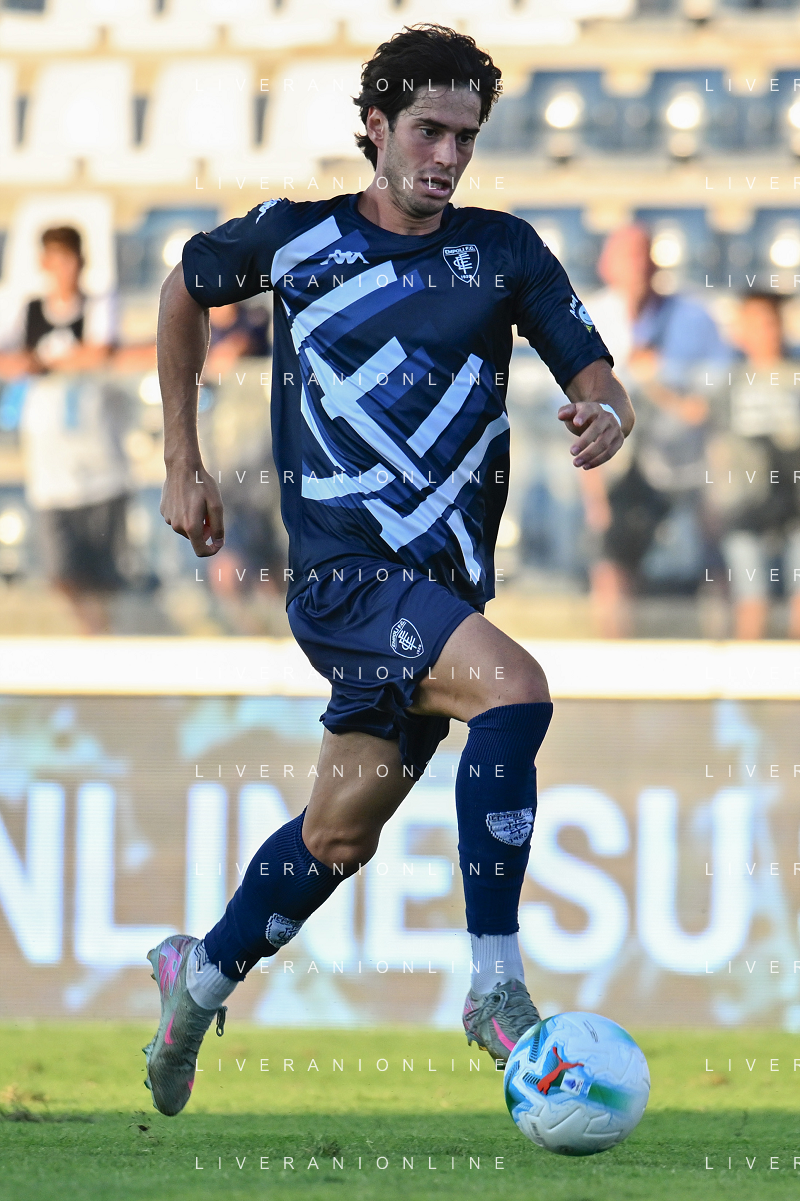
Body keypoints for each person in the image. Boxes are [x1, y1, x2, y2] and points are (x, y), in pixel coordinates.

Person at [144, 24, 634, 1118]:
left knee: (336, 836)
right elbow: (182, 290)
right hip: (345, 583)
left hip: (438, 594)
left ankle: (196, 977)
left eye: (465, 136)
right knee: (515, 691)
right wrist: (183, 460)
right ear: (374, 125)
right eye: (427, 130)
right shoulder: (296, 238)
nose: (447, 155)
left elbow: (594, 370)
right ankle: (495, 983)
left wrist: (608, 411)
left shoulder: (504, 253)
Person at [584, 225, 731, 636]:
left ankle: (726, 651)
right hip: (618, 467)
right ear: (606, 266)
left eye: (642, 255)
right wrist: (592, 489)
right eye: (626, 257)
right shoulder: (591, 315)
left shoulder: (695, 317)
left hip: (689, 465)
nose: (636, 266)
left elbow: (714, 402)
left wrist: (657, 382)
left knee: (715, 559)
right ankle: (614, 650)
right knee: (613, 559)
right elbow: (570, 404)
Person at [0, 226, 130, 634]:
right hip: (50, 470)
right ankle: (91, 635)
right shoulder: (27, 310)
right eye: (55, 261)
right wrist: (48, 361)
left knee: (106, 580)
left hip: (101, 467)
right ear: (44, 264)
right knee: (62, 575)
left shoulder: (98, 304)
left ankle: (103, 638)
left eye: (69, 261)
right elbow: (8, 361)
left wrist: (40, 362)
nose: (63, 271)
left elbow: (99, 352)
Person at [706, 293, 800, 638]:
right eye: (755, 324)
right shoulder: (730, 383)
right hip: (744, 504)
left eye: (770, 323)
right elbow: (716, 444)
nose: (765, 332)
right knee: (751, 599)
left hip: (795, 502)